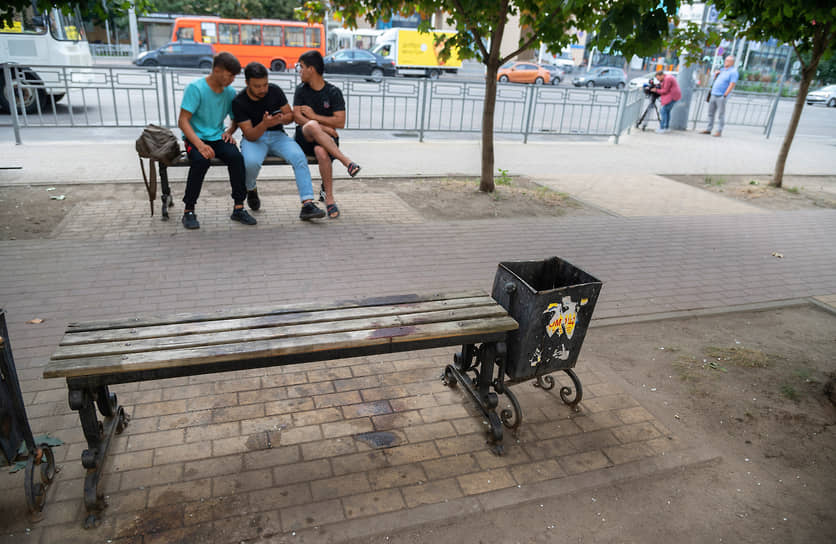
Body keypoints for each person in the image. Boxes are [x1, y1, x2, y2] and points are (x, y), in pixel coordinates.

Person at [230, 62, 326, 220]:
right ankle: (251, 189)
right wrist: (264, 124)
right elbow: (250, 135)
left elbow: (290, 116)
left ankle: (307, 204)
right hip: (254, 139)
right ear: (247, 83)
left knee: (299, 157)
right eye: (257, 86)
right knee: (250, 163)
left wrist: (280, 119)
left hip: (278, 135)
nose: (263, 89)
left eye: (265, 84)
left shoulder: (274, 90)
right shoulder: (239, 101)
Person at [178, 52, 256, 229]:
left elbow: (236, 117)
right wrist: (199, 144)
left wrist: (230, 131)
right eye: (230, 75)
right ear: (217, 70)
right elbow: (182, 121)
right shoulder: (195, 88)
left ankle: (239, 207)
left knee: (237, 158)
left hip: (217, 136)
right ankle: (188, 211)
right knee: (200, 161)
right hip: (195, 138)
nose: (232, 80)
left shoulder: (229, 92)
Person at [293, 50, 361, 220]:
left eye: (301, 67)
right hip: (305, 137)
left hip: (325, 142)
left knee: (322, 153)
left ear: (312, 69)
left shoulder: (333, 92)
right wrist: (323, 127)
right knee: (311, 125)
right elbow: (297, 117)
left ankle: (329, 199)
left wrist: (316, 119)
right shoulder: (301, 90)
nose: (299, 71)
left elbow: (340, 123)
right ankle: (347, 162)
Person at [702, 55, 739, 137]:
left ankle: (719, 131)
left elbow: (732, 84)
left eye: (728, 61)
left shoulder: (733, 72)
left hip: (721, 96)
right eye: (726, 60)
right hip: (714, 94)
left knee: (720, 114)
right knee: (710, 113)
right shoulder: (722, 70)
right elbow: (715, 80)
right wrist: (715, 75)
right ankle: (708, 129)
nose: (726, 62)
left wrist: (725, 94)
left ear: (732, 62)